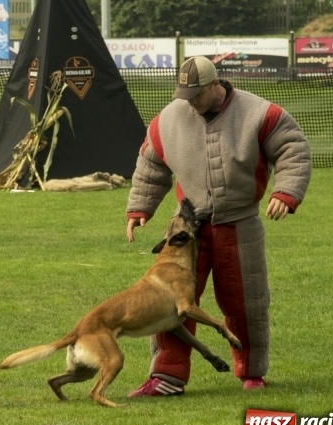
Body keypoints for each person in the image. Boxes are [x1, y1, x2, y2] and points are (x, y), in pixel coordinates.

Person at [125, 56, 311, 397]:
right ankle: (167, 376)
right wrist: (140, 207)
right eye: (185, 94)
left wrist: (286, 192)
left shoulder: (261, 113)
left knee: (246, 302)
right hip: (185, 232)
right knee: (169, 302)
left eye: (197, 94)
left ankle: (251, 372)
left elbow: (293, 149)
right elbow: (151, 164)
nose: (190, 101)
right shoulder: (167, 119)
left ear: (215, 85)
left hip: (239, 224)